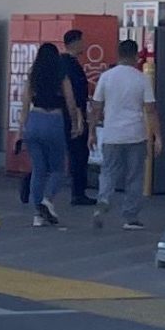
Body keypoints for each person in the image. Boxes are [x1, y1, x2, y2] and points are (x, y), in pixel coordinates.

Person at [89, 38, 157, 230]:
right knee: (134, 176)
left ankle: (103, 201)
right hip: (136, 133)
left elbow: (96, 108)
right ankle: (130, 217)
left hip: (111, 134)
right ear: (136, 56)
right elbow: (150, 110)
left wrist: (92, 132)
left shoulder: (106, 77)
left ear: (118, 55)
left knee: (108, 172)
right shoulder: (141, 78)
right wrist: (157, 136)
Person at [15, 43, 74, 226]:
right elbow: (70, 102)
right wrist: (76, 122)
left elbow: (25, 105)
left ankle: (37, 215)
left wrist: (20, 132)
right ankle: (47, 201)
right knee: (58, 168)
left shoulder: (33, 75)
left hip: (34, 121)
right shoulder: (61, 75)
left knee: (38, 169)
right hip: (54, 120)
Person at [59, 28, 94, 205]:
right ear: (75, 43)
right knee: (79, 153)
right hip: (73, 114)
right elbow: (74, 94)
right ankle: (78, 192)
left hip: (65, 114)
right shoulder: (70, 65)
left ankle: (78, 191)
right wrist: (78, 117)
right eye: (82, 41)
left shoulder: (64, 63)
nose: (84, 44)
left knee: (69, 153)